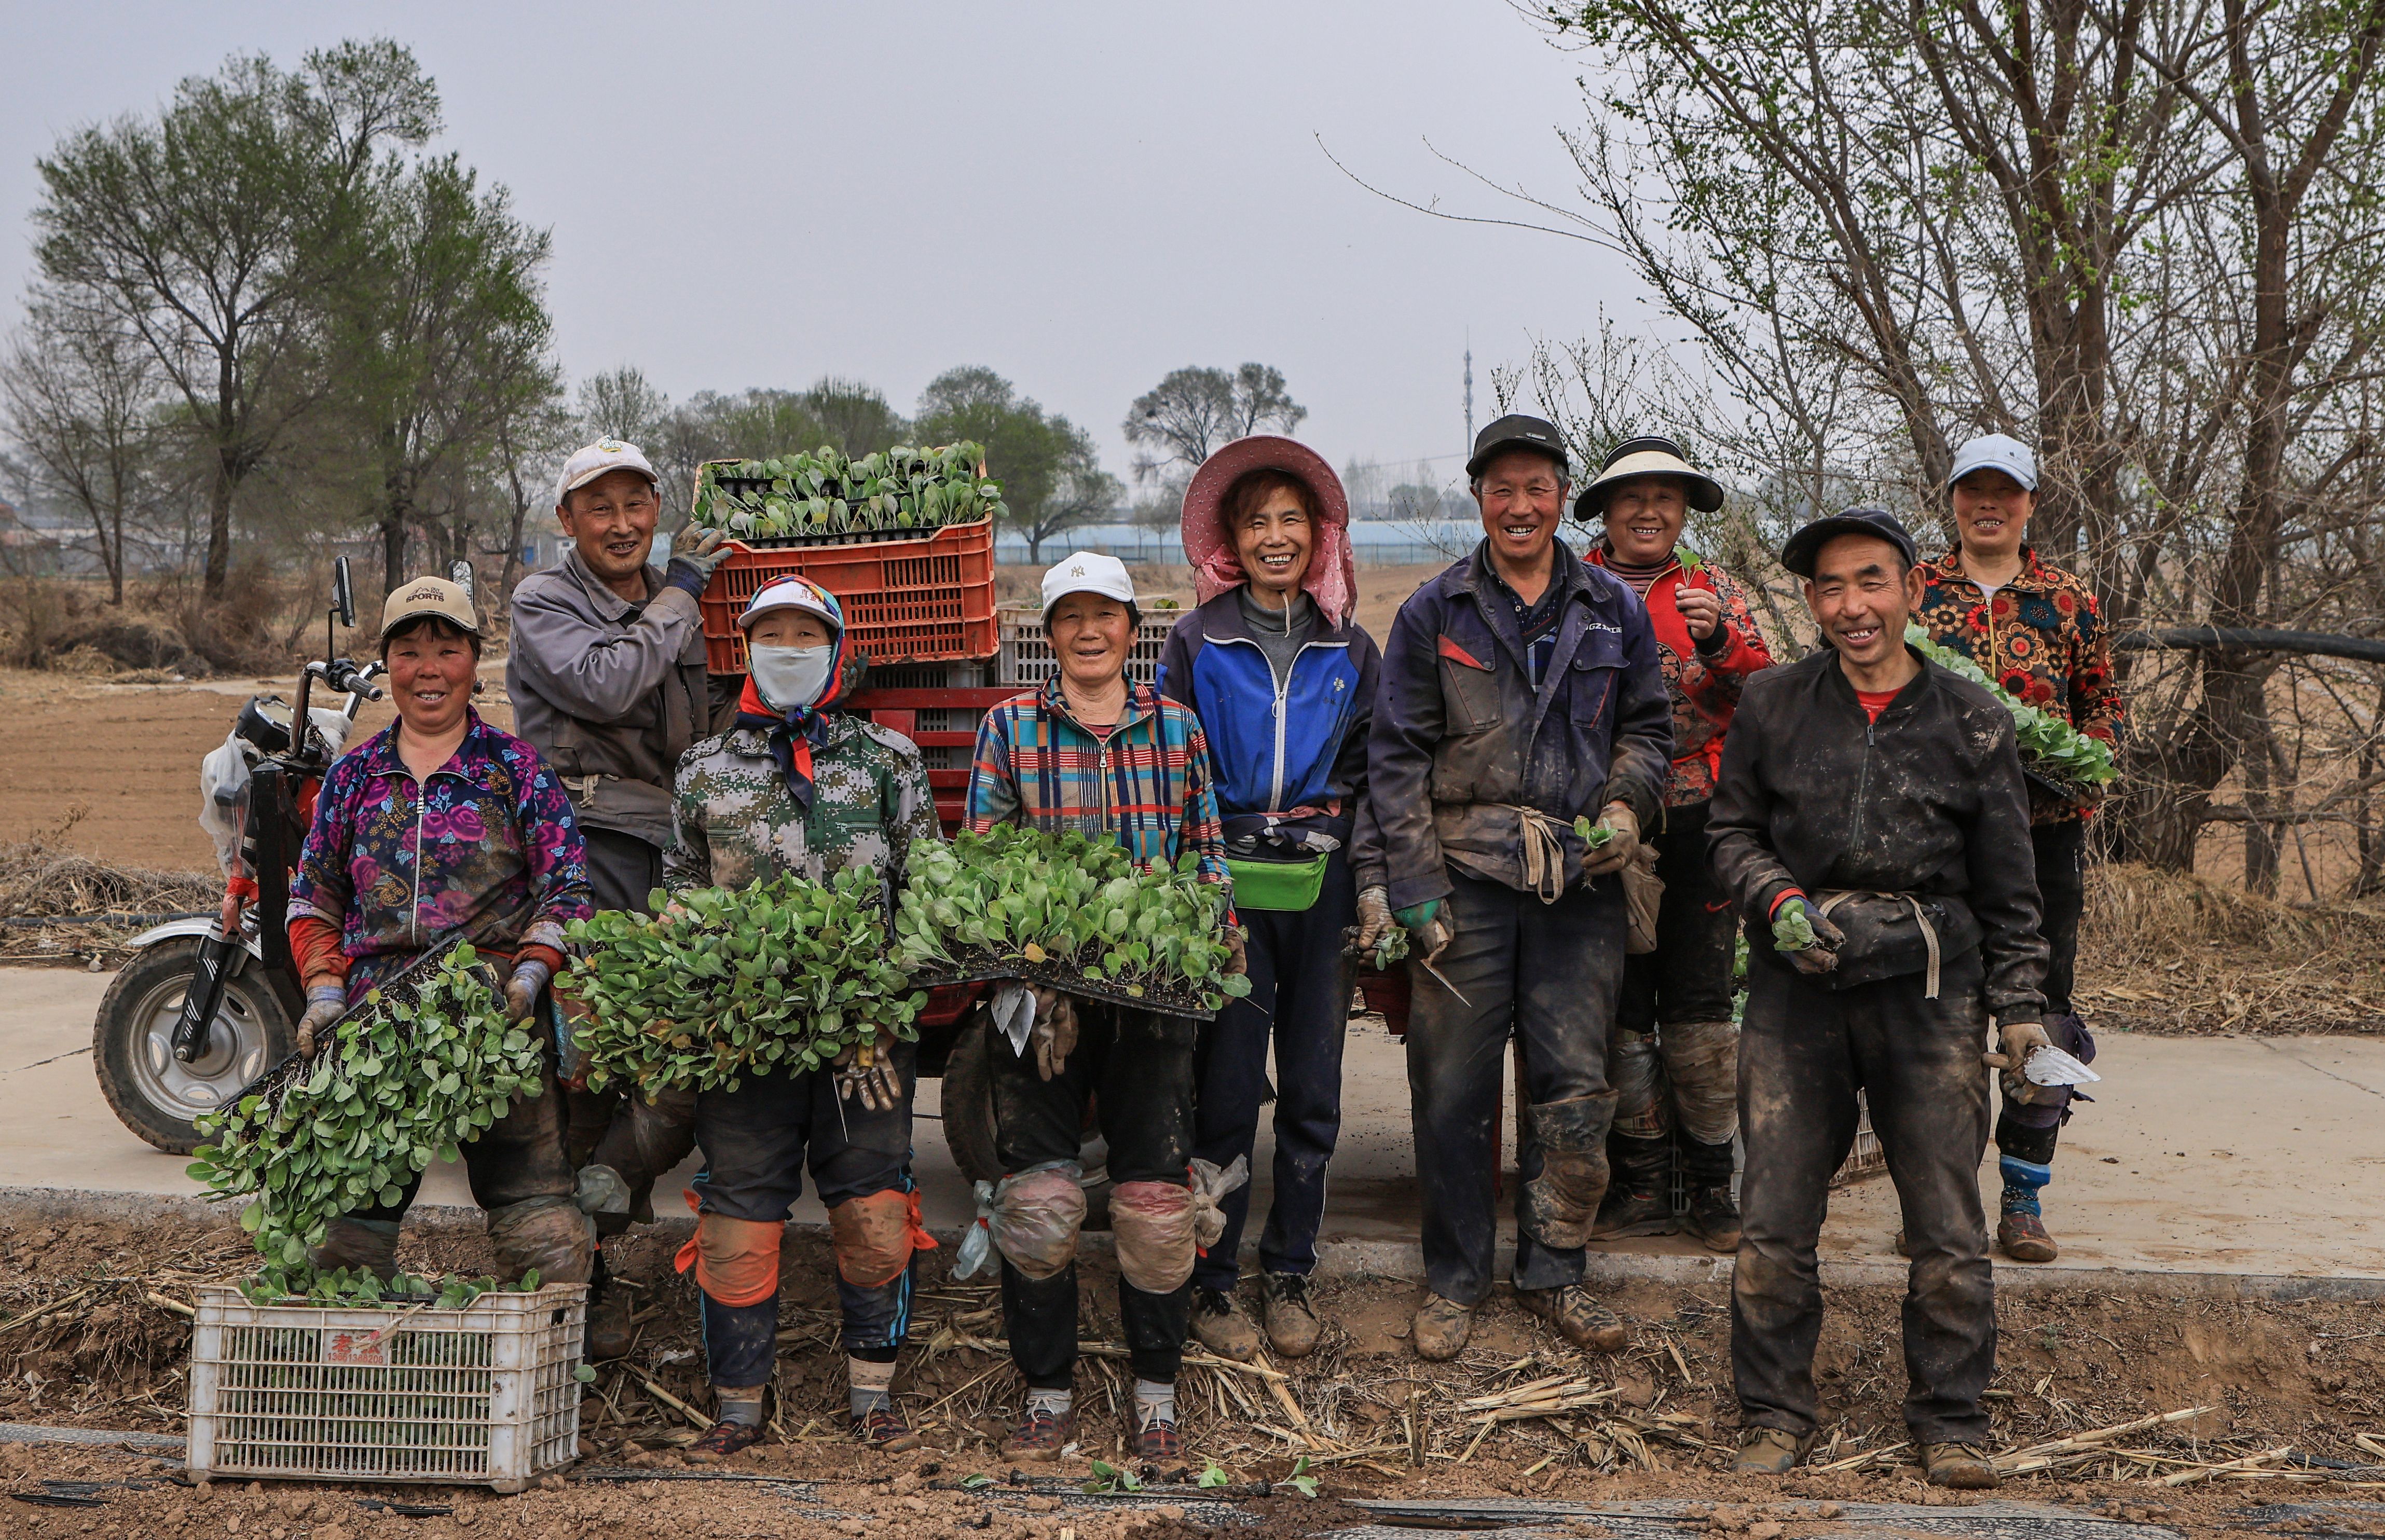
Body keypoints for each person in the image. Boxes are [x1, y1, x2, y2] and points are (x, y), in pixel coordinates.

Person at [1708, 507, 2051, 1490]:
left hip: (1930, 992)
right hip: (1794, 988)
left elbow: (2010, 886)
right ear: (1813, 603)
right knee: (1774, 1217)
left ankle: (1953, 1422)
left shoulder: (1972, 719)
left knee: (1946, 1222)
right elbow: (1731, 833)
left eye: (1869, 582)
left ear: (1909, 589)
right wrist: (1774, 901)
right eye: (1829, 588)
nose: (1852, 606)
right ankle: (1775, 1413)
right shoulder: (1774, 704)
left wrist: (2019, 1005)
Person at [1364, 414, 1673, 1362]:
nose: (1521, 506)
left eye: (1538, 488)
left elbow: (1650, 732)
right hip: (1466, 880)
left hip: (1579, 881)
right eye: (1503, 489)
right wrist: (1414, 887)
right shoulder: (1435, 612)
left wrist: (1625, 809)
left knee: (1577, 1091)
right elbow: (1397, 758)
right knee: (1450, 1089)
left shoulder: (1611, 607)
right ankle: (1455, 1283)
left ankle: (1556, 1275)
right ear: (1478, 499)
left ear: (1561, 496)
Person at [663, 575, 944, 1463]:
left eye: (805, 632)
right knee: (739, 1217)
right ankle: (738, 1407)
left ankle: (873, 1399)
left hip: (865, 1040)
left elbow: (929, 895)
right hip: (745, 1040)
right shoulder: (704, 770)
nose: (789, 645)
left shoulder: (888, 760)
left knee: (872, 1212)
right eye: (771, 632)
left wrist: (890, 1011)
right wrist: (688, 952)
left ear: (835, 648)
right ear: (746, 648)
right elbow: (677, 885)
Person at [964, 552, 1237, 1464]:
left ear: (1133, 628)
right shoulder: (1009, 727)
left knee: (1157, 1202)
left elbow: (1208, 856)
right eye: (1071, 617)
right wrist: (1028, 962)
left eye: (1106, 615)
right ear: (1050, 636)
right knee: (1039, 1202)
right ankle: (1047, 1393)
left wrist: (1213, 936)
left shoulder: (1179, 730)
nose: (1090, 632)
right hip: (1039, 1006)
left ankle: (1155, 1393)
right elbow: (985, 861)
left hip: (1152, 1004)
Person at [286, 576, 595, 1289]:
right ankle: (356, 1370)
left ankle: (544, 1356)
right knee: (348, 1225)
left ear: (473, 661)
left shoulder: (514, 769)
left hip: (494, 1017)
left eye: (447, 650)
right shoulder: (354, 777)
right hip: (375, 1021)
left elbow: (569, 887)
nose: (429, 670)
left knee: (538, 1215)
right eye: (409, 651)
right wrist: (326, 991)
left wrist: (531, 973)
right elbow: (313, 898)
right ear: (388, 667)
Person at [1156, 436, 1382, 1363]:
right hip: (1226, 884)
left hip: (1320, 884)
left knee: (1316, 1089)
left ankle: (1289, 1272)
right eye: (1257, 521)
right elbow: (1171, 765)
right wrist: (1189, 882)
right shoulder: (1196, 640)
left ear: (1319, 536)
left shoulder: (1351, 647)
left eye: (1292, 519)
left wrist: (1370, 882)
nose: (1275, 535)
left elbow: (1372, 773)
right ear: (1231, 540)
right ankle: (1213, 1285)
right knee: (1228, 1087)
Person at [506, 438, 733, 1356]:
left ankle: (605, 1205)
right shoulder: (545, 601)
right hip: (585, 843)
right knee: (589, 1059)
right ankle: (576, 1290)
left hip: (672, 846)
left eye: (637, 503)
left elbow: (702, 726)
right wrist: (681, 592)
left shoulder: (673, 603)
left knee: (678, 1057)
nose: (622, 524)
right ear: (567, 522)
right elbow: (606, 685)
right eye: (599, 507)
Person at [1915, 434, 2119, 1264]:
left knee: (2043, 1010)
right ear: (1954, 499)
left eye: (2006, 491)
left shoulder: (2069, 599)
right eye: (1973, 490)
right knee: (1939, 1012)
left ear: (2031, 503)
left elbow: (2102, 700)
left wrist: (2087, 772)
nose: (1988, 504)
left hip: (2044, 840)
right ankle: (1939, 1203)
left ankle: (2024, 1202)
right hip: (1939, 841)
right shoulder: (1917, 591)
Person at [1577, 436, 1772, 1252]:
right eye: (1632, 498)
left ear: (1685, 510)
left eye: (1666, 497)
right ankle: (1642, 1179)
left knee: (1697, 1010)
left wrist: (1721, 643)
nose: (1649, 512)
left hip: (1701, 817)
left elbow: (1767, 693)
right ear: (1606, 513)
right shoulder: (1570, 589)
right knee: (1620, 1014)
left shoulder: (1714, 590)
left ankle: (1712, 1185)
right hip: (1598, 824)